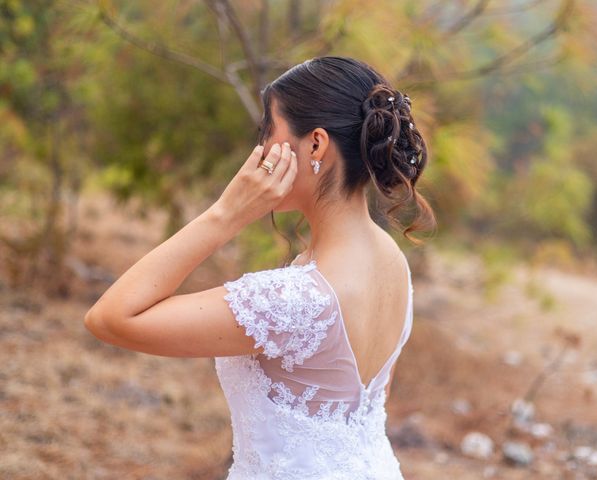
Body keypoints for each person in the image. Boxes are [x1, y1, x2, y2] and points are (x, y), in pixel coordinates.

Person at [84, 55, 436, 479]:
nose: (261, 150)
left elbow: (110, 318)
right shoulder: (393, 262)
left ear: (316, 145)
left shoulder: (293, 300)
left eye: (267, 131)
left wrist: (225, 215)